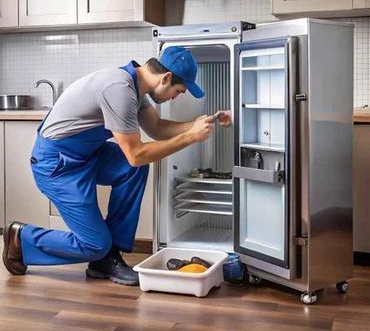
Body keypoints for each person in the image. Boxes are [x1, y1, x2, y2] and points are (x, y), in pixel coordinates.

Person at [2, 46, 231, 285]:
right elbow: (136, 154)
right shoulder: (119, 89)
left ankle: (109, 258)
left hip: (87, 154)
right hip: (58, 164)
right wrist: (191, 137)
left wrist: (196, 124)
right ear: (166, 78)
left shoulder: (134, 86)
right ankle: (21, 238)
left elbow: (157, 128)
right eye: (178, 91)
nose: (176, 97)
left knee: (133, 169)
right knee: (94, 243)